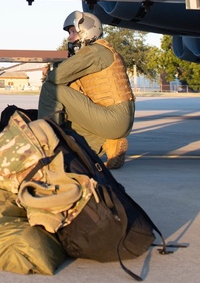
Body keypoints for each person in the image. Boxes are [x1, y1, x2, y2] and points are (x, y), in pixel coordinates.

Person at [37, 11, 135, 169]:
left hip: (112, 118)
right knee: (73, 129)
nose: (69, 38)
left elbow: (56, 77)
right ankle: (109, 144)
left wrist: (48, 73)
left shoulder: (93, 52)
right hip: (118, 118)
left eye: (72, 32)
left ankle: (47, 146)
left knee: (50, 89)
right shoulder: (104, 51)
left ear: (86, 31)